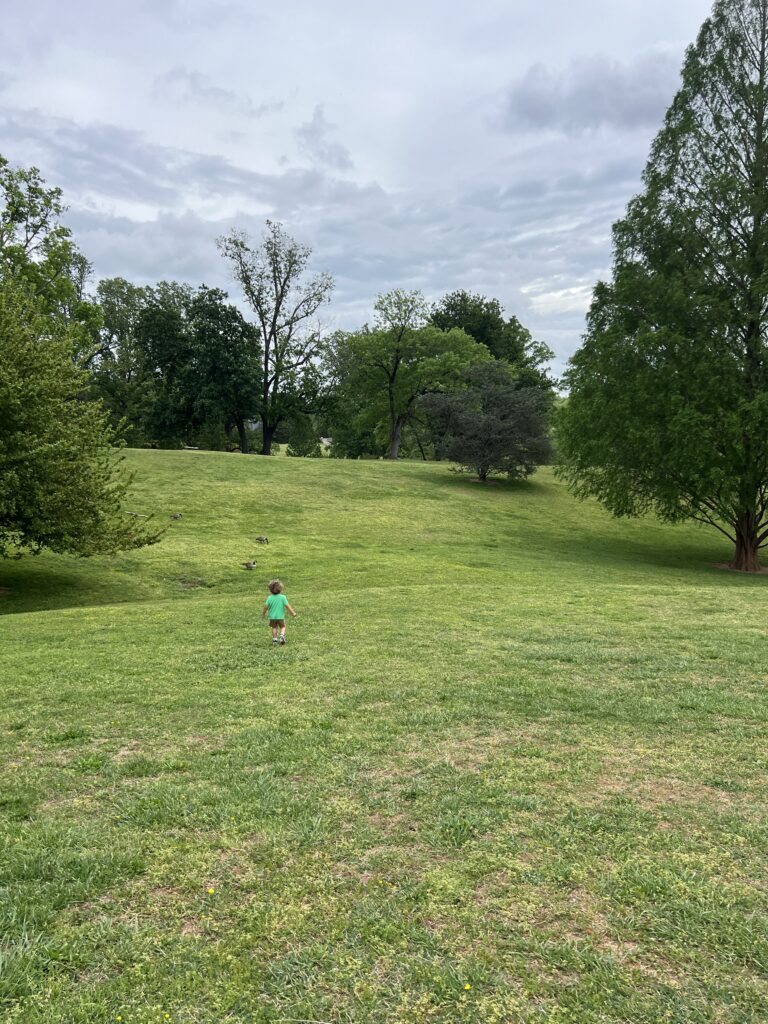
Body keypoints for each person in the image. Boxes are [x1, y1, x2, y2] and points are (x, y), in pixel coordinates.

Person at [262, 579, 297, 645]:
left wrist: (263, 614)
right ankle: (282, 635)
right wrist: (293, 613)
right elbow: (287, 606)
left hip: (272, 617)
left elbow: (265, 607)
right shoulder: (283, 597)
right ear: (280, 589)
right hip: (280, 617)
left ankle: (275, 640)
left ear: (270, 590)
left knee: (274, 627)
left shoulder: (269, 598)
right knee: (283, 627)